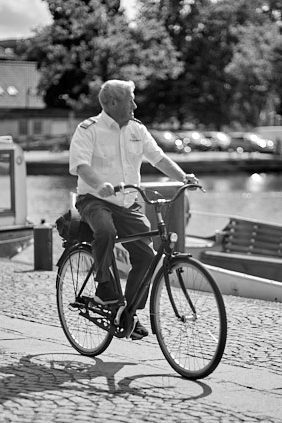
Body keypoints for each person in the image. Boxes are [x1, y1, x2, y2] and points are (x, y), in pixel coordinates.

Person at [68, 79, 198, 340]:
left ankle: (128, 313)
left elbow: (158, 157)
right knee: (104, 230)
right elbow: (81, 166)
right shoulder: (88, 129)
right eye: (131, 100)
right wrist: (99, 184)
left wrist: (183, 177)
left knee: (147, 257)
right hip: (95, 199)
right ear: (114, 103)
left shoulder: (137, 129)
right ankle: (104, 286)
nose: (135, 105)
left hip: (128, 202)